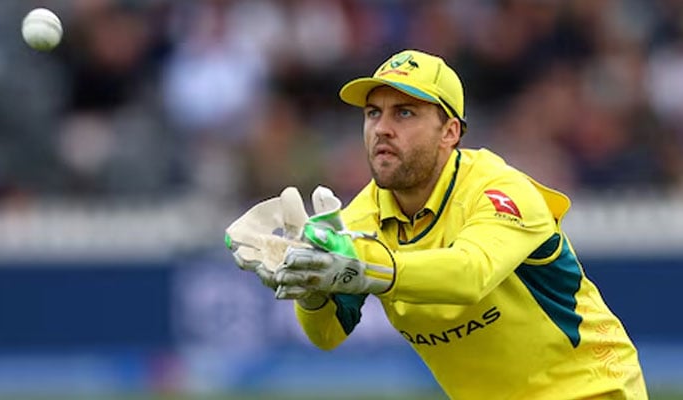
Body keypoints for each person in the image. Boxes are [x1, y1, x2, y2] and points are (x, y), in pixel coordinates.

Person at [227, 49, 648, 399]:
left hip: (591, 389)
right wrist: (312, 290)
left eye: (405, 113)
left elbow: (471, 274)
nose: (382, 129)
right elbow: (327, 335)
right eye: (373, 113)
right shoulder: (360, 218)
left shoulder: (500, 190)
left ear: (450, 131)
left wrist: (368, 267)